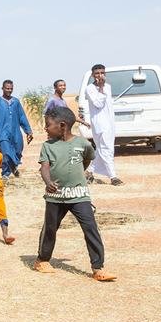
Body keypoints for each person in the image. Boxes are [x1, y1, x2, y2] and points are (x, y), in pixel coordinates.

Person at [34, 106, 117, 281]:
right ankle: (42, 259)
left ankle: (98, 267)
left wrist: (77, 174)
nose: (45, 128)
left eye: (48, 125)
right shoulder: (48, 146)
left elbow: (87, 159)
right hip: (55, 197)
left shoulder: (82, 144)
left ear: (62, 125)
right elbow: (44, 167)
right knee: (50, 228)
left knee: (90, 228)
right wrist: (48, 182)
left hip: (79, 195)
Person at [80, 64, 123, 185]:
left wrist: (103, 88)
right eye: (97, 73)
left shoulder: (108, 87)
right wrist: (100, 89)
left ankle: (89, 172)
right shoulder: (90, 89)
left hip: (110, 123)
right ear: (93, 75)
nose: (100, 75)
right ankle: (113, 177)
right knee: (106, 149)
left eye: (102, 73)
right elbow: (98, 104)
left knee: (103, 149)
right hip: (100, 124)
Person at [0, 79, 34, 178]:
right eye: (7, 88)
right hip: (2, 133)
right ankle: (5, 174)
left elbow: (22, 117)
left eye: (11, 89)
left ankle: (13, 166)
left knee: (18, 151)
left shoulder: (16, 102)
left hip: (16, 132)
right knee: (6, 153)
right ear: (2, 88)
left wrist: (28, 131)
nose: (9, 90)